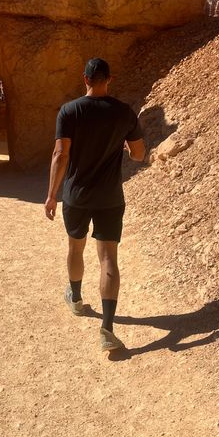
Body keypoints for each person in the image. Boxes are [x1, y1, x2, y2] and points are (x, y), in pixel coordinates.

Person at [45, 58, 145, 351]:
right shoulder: (124, 112)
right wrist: (125, 145)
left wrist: (52, 194)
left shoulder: (69, 111)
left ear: (85, 79)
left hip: (76, 195)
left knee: (76, 247)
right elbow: (139, 155)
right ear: (108, 80)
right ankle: (108, 330)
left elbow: (60, 155)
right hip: (110, 197)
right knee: (108, 259)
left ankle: (75, 299)